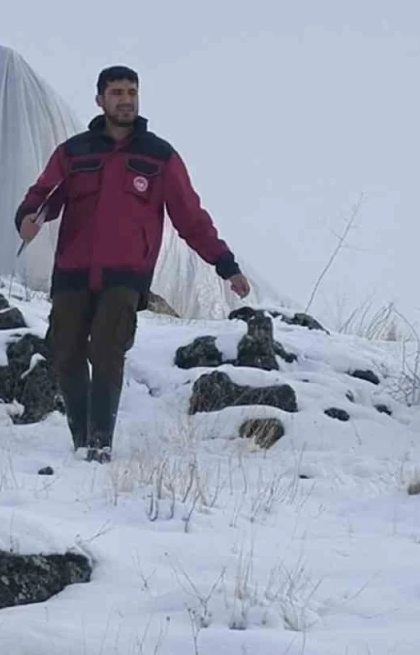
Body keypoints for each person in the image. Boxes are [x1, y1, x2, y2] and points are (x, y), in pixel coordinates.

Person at [15, 65, 250, 462]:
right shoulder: (75, 152)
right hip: (72, 271)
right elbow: (45, 194)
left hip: (125, 273)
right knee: (66, 352)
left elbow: (191, 218)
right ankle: (81, 439)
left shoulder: (158, 156)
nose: (125, 99)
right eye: (117, 92)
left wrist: (225, 264)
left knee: (107, 349)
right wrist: (28, 216)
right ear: (100, 100)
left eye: (131, 92)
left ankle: (100, 444)